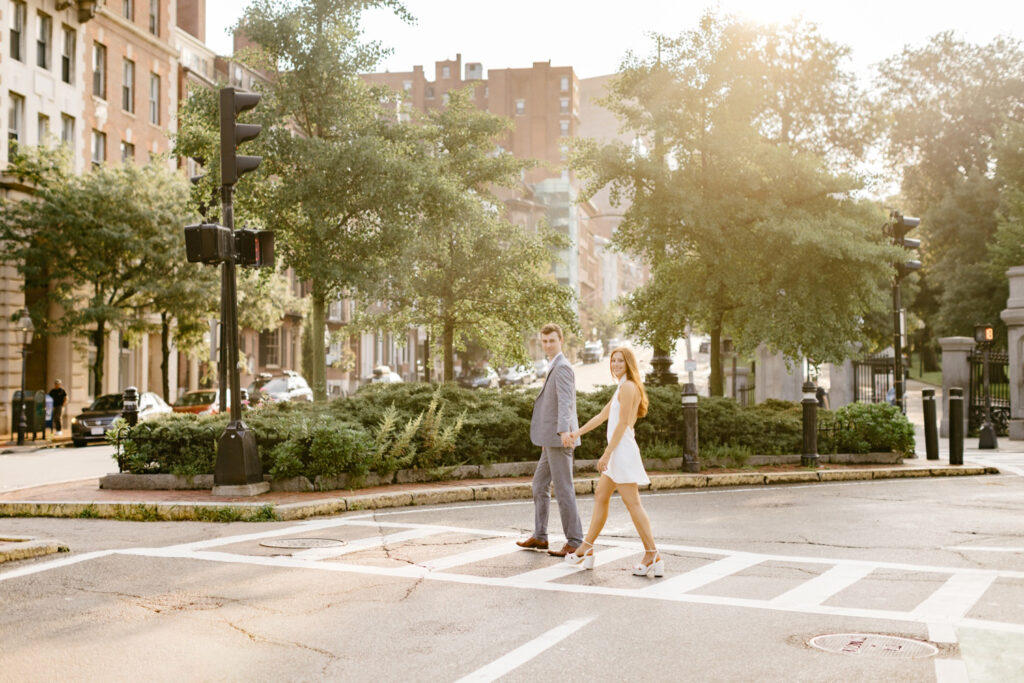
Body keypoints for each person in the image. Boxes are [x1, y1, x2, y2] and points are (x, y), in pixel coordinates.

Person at [564, 346, 664, 577]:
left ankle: (652, 554)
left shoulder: (628, 387)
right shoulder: (622, 386)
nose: (616, 364)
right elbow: (602, 416)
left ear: (629, 364)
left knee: (633, 504)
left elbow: (621, 425)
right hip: (618, 451)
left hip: (622, 452)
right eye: (613, 361)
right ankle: (586, 548)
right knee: (601, 496)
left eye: (620, 361)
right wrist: (576, 433)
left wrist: (607, 454)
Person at [516, 323, 583, 558]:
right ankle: (540, 536)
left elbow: (565, 401)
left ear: (561, 340)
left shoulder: (563, 367)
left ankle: (575, 541)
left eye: (552, 341)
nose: (548, 345)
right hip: (551, 439)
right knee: (539, 485)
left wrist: (564, 431)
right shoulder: (553, 365)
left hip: (560, 439)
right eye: (544, 341)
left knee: (564, 490)